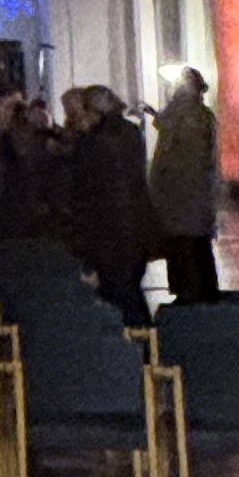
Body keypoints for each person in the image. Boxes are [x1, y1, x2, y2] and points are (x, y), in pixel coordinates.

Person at [58, 86, 159, 318]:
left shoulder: (95, 142)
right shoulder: (129, 132)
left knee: (117, 294)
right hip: (134, 226)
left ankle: (131, 343)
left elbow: (88, 186)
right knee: (130, 290)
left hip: (109, 231)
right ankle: (145, 342)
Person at [149, 67, 220, 304]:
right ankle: (195, 290)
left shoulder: (189, 115)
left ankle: (192, 292)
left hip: (183, 193)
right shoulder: (196, 114)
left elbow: (179, 148)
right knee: (191, 244)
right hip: (188, 194)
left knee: (187, 245)